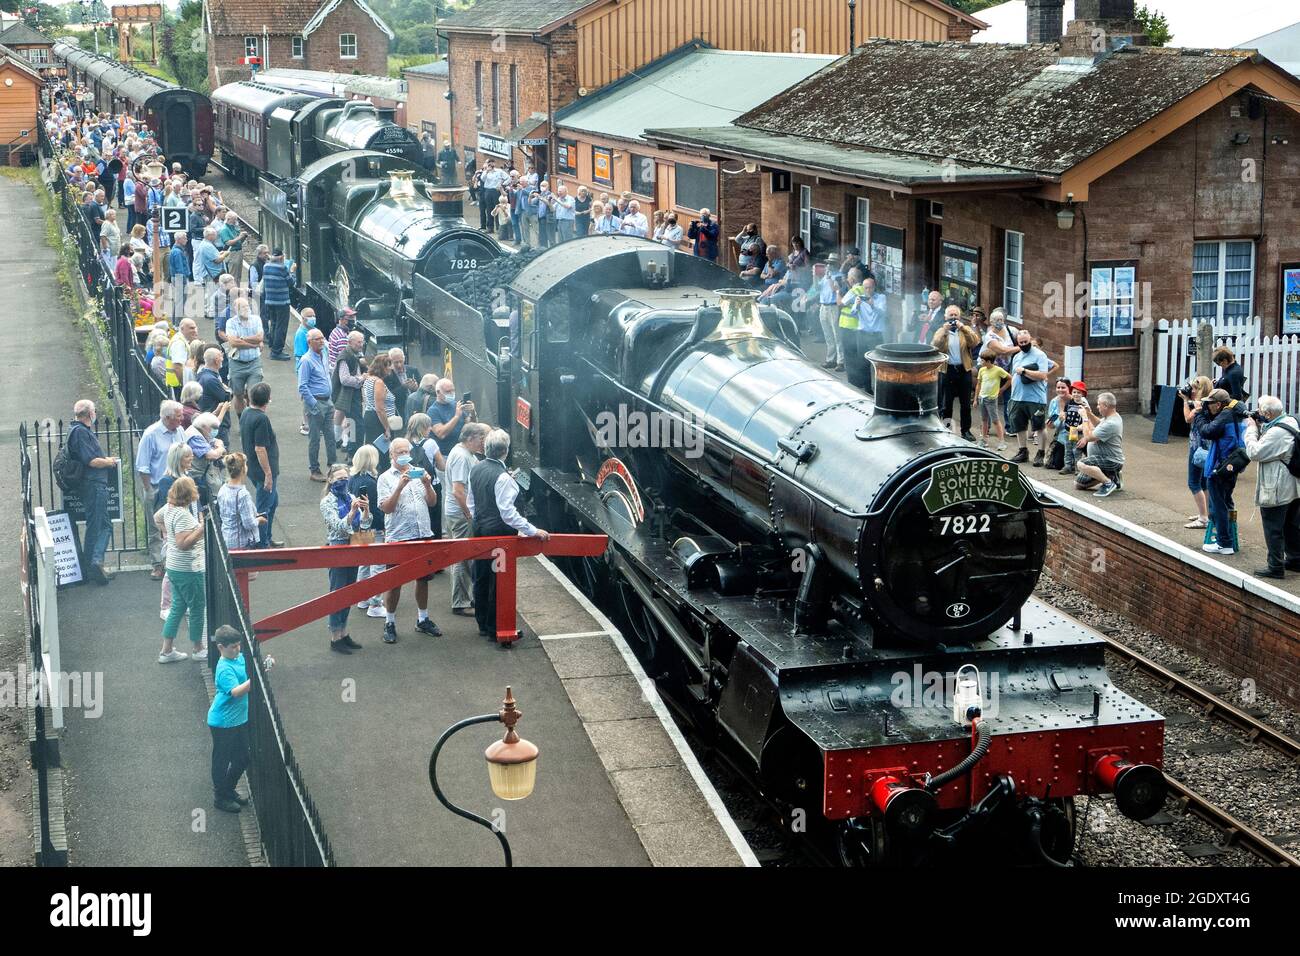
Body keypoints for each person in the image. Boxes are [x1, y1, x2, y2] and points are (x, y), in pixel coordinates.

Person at [468, 429, 549, 639]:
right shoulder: (503, 478)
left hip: (479, 530)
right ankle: (497, 627)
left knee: (482, 577)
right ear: (505, 451)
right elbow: (508, 514)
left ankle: (484, 624)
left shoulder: (476, 469)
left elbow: (471, 503)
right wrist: (533, 530)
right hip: (499, 535)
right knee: (499, 580)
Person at [377, 437, 442, 643]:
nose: (404, 455)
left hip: (422, 533)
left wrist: (427, 484)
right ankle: (390, 622)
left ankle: (422, 619)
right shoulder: (385, 478)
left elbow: (432, 502)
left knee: (423, 579)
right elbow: (386, 508)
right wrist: (399, 486)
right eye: (400, 452)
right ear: (392, 455)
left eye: (407, 451)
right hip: (398, 536)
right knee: (395, 581)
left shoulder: (418, 471)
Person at [208, 625, 271, 814]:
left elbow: (251, 667)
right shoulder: (224, 669)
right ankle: (221, 797)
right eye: (232, 647)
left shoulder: (237, 658)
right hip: (223, 723)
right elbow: (236, 692)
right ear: (220, 647)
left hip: (237, 720)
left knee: (243, 757)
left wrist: (264, 665)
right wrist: (257, 678)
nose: (237, 649)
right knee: (221, 760)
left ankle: (227, 789)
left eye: (238, 645)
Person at [1244, 396, 1300, 579]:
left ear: (1267, 413)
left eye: (1260, 411)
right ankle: (1295, 560)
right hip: (1293, 486)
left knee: (1273, 527)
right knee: (1291, 525)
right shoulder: (1289, 421)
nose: (1258, 413)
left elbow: (1255, 452)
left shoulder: (1277, 433)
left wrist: (1251, 430)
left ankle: (1275, 566)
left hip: (1277, 488)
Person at [321, 462, 372, 654]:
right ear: (331, 480)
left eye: (346, 478)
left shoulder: (350, 496)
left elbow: (366, 524)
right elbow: (337, 526)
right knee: (337, 593)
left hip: (354, 545)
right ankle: (335, 637)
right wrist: (351, 513)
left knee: (349, 591)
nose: (343, 481)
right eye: (339, 478)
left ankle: (343, 632)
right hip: (338, 547)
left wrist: (366, 510)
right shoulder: (327, 502)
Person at [67, 400, 119, 585]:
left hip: (93, 485)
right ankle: (93, 564)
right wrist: (109, 462)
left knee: (103, 524)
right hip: (94, 484)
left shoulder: (79, 431)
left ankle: (95, 564)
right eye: (94, 411)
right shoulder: (80, 432)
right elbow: (91, 461)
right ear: (90, 414)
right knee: (97, 525)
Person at [156, 476, 205, 663]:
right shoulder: (183, 515)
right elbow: (183, 543)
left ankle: (166, 650)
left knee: (177, 607)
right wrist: (200, 530)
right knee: (197, 607)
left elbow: (156, 518)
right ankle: (198, 648)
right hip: (188, 569)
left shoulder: (169, 509)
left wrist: (167, 533)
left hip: (174, 567)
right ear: (189, 493)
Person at [135, 400, 185, 579]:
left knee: (178, 524)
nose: (182, 418)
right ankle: (157, 564)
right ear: (167, 417)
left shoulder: (179, 430)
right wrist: (149, 489)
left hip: (177, 486)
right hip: (156, 486)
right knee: (156, 527)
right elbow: (142, 466)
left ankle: (175, 562)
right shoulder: (151, 435)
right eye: (178, 416)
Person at [445, 422, 488, 616]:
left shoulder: (464, 453)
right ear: (470, 438)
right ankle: (460, 602)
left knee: (464, 557)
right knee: (462, 558)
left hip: (458, 512)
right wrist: (469, 514)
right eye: (481, 439)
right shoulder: (462, 457)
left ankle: (464, 598)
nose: (483, 443)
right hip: (460, 514)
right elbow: (458, 491)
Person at [1200, 388, 1249, 556]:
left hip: (1219, 468)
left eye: (1210, 404)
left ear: (1219, 404)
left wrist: (1200, 415)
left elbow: (1206, 431)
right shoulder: (1237, 412)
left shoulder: (1225, 416)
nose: (1208, 407)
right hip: (1231, 467)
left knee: (1218, 505)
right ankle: (1229, 538)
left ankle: (1224, 543)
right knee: (1226, 502)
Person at [1007, 330, 1057, 466]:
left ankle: (1040, 453)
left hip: (1035, 398)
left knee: (1039, 426)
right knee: (1019, 426)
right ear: (1018, 343)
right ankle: (1022, 451)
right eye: (1021, 342)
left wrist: (1024, 371)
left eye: (1026, 342)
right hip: (1017, 397)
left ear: (1030, 340)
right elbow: (1014, 375)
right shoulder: (1017, 356)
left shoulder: (1040, 355)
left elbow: (1042, 375)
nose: (1023, 344)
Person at [240, 383, 282, 548]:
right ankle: (262, 544)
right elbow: (260, 448)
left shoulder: (246, 413)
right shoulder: (261, 418)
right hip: (263, 471)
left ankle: (266, 538)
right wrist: (269, 475)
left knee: (273, 502)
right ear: (268, 399)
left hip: (253, 469)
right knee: (264, 508)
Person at [931, 305, 980, 440]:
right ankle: (946, 429)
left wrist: (963, 328)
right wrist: (944, 331)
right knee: (947, 403)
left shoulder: (965, 330)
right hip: (947, 370)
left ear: (959, 317)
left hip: (963, 370)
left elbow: (975, 342)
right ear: (946, 317)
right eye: (950, 315)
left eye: (955, 315)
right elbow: (935, 345)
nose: (953, 318)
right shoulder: (941, 331)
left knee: (965, 403)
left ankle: (966, 431)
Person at [349, 445, 387, 619]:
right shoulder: (371, 482)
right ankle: (375, 603)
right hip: (374, 527)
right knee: (378, 566)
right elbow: (375, 509)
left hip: (359, 527)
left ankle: (362, 597)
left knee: (364, 563)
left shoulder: (353, 479)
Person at [298, 328, 336, 482]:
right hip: (316, 403)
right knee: (314, 439)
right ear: (309, 342)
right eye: (317, 339)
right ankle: (314, 470)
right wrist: (314, 405)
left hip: (327, 401)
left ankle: (333, 467)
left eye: (322, 338)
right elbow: (302, 386)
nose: (322, 341)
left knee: (331, 437)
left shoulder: (324, 354)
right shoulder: (306, 360)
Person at [1074, 392, 1125, 498]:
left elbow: (1088, 436)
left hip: (1111, 460)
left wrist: (1084, 417)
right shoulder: (1110, 417)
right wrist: (1089, 413)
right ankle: (1112, 477)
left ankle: (1108, 483)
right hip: (1101, 458)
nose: (1097, 407)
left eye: (1099, 404)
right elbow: (1098, 423)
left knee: (1081, 464)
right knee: (1079, 484)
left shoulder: (1112, 423)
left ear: (1106, 406)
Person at [1181, 375, 1215, 530]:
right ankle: (1205, 513)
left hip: (1197, 448)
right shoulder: (1212, 404)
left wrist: (1184, 401)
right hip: (1208, 447)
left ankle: (1203, 518)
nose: (1192, 391)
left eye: (1195, 388)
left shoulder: (1199, 406)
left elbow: (1188, 419)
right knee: (1203, 482)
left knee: (1193, 482)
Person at [224, 297, 264, 419]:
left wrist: (241, 339)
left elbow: (260, 338)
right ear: (236, 309)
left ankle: (253, 418)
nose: (247, 309)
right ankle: (242, 419)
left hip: (254, 362)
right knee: (238, 394)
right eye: (243, 307)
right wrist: (254, 345)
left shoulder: (256, 319)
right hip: (237, 363)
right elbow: (233, 343)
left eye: (247, 306)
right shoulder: (230, 322)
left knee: (254, 393)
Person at [216, 452, 263, 550]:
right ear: (243, 469)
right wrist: (259, 520)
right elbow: (248, 524)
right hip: (241, 543)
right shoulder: (242, 494)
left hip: (227, 538)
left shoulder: (223, 489)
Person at [331, 330, 366, 452]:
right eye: (358, 342)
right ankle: (354, 451)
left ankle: (351, 450)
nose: (361, 344)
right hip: (348, 396)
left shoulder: (354, 355)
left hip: (352, 396)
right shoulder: (345, 357)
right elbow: (344, 379)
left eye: (362, 342)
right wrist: (361, 378)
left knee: (353, 424)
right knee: (358, 425)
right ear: (350, 342)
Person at [853, 275, 888, 392]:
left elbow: (883, 313)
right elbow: (853, 313)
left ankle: (881, 388)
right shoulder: (859, 298)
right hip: (862, 334)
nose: (868, 290)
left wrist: (873, 305)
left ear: (874, 287)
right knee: (862, 363)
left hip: (876, 335)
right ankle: (867, 388)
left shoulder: (881, 298)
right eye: (865, 288)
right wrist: (857, 305)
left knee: (878, 364)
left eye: (870, 288)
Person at [185, 411, 227, 505]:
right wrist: (220, 448)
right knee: (203, 504)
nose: (213, 431)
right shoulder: (194, 436)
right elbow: (212, 455)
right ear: (204, 426)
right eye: (211, 428)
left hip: (203, 475)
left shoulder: (200, 431)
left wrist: (219, 444)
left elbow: (215, 441)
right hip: (196, 477)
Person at [361, 353, 397, 460]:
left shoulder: (368, 379)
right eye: (388, 366)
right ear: (382, 367)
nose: (390, 369)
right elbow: (380, 408)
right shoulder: (378, 382)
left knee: (374, 451)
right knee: (382, 453)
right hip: (378, 421)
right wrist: (387, 428)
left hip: (371, 417)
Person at [260, 249, 294, 360]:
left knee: (274, 323)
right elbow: (291, 282)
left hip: (270, 301)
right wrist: (292, 271)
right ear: (280, 257)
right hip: (282, 302)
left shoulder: (266, 266)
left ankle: (272, 343)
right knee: (281, 326)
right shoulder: (282, 268)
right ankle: (276, 351)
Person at [976, 350, 1010, 450]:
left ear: (989, 361)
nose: (981, 362)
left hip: (991, 399)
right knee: (984, 420)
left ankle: (1002, 442)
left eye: (982, 360)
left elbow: (1009, 378)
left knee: (995, 420)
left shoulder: (998, 370)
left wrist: (1002, 389)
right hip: (982, 398)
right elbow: (979, 384)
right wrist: (975, 398)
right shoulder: (982, 370)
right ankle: (984, 440)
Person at [1059, 381, 1089, 475]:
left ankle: (1078, 467)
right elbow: (1065, 412)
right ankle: (1068, 466)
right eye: (1074, 392)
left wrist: (1081, 427)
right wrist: (1063, 416)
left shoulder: (1084, 405)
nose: (1076, 394)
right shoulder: (1069, 403)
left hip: (1078, 432)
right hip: (1068, 431)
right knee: (1067, 449)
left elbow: (1087, 419)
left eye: (1079, 392)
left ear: (1083, 394)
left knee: (1077, 451)